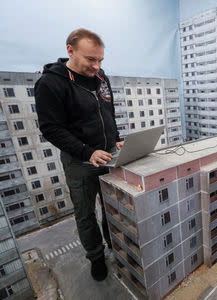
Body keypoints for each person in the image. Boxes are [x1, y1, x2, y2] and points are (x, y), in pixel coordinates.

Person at [35, 28, 123, 281]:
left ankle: (116, 246)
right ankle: (96, 257)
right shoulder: (51, 83)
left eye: (100, 60)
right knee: (86, 214)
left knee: (113, 209)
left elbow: (109, 114)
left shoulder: (101, 78)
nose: (97, 66)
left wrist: (116, 140)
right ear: (70, 51)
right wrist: (87, 151)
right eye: (90, 60)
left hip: (109, 157)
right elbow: (51, 128)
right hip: (80, 161)